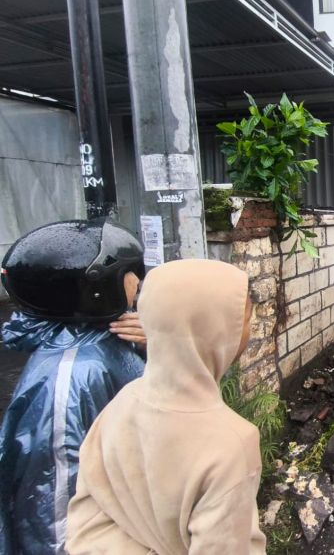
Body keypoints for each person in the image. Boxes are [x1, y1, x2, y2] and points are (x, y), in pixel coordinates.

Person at [67, 259, 266, 555]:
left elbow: (86, 524)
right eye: (245, 321)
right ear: (216, 331)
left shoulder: (120, 403)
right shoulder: (232, 444)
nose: (249, 332)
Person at [0, 220, 148, 555]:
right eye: (129, 273)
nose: (138, 281)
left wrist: (153, 345)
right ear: (95, 287)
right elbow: (52, 506)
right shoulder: (70, 375)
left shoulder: (107, 336)